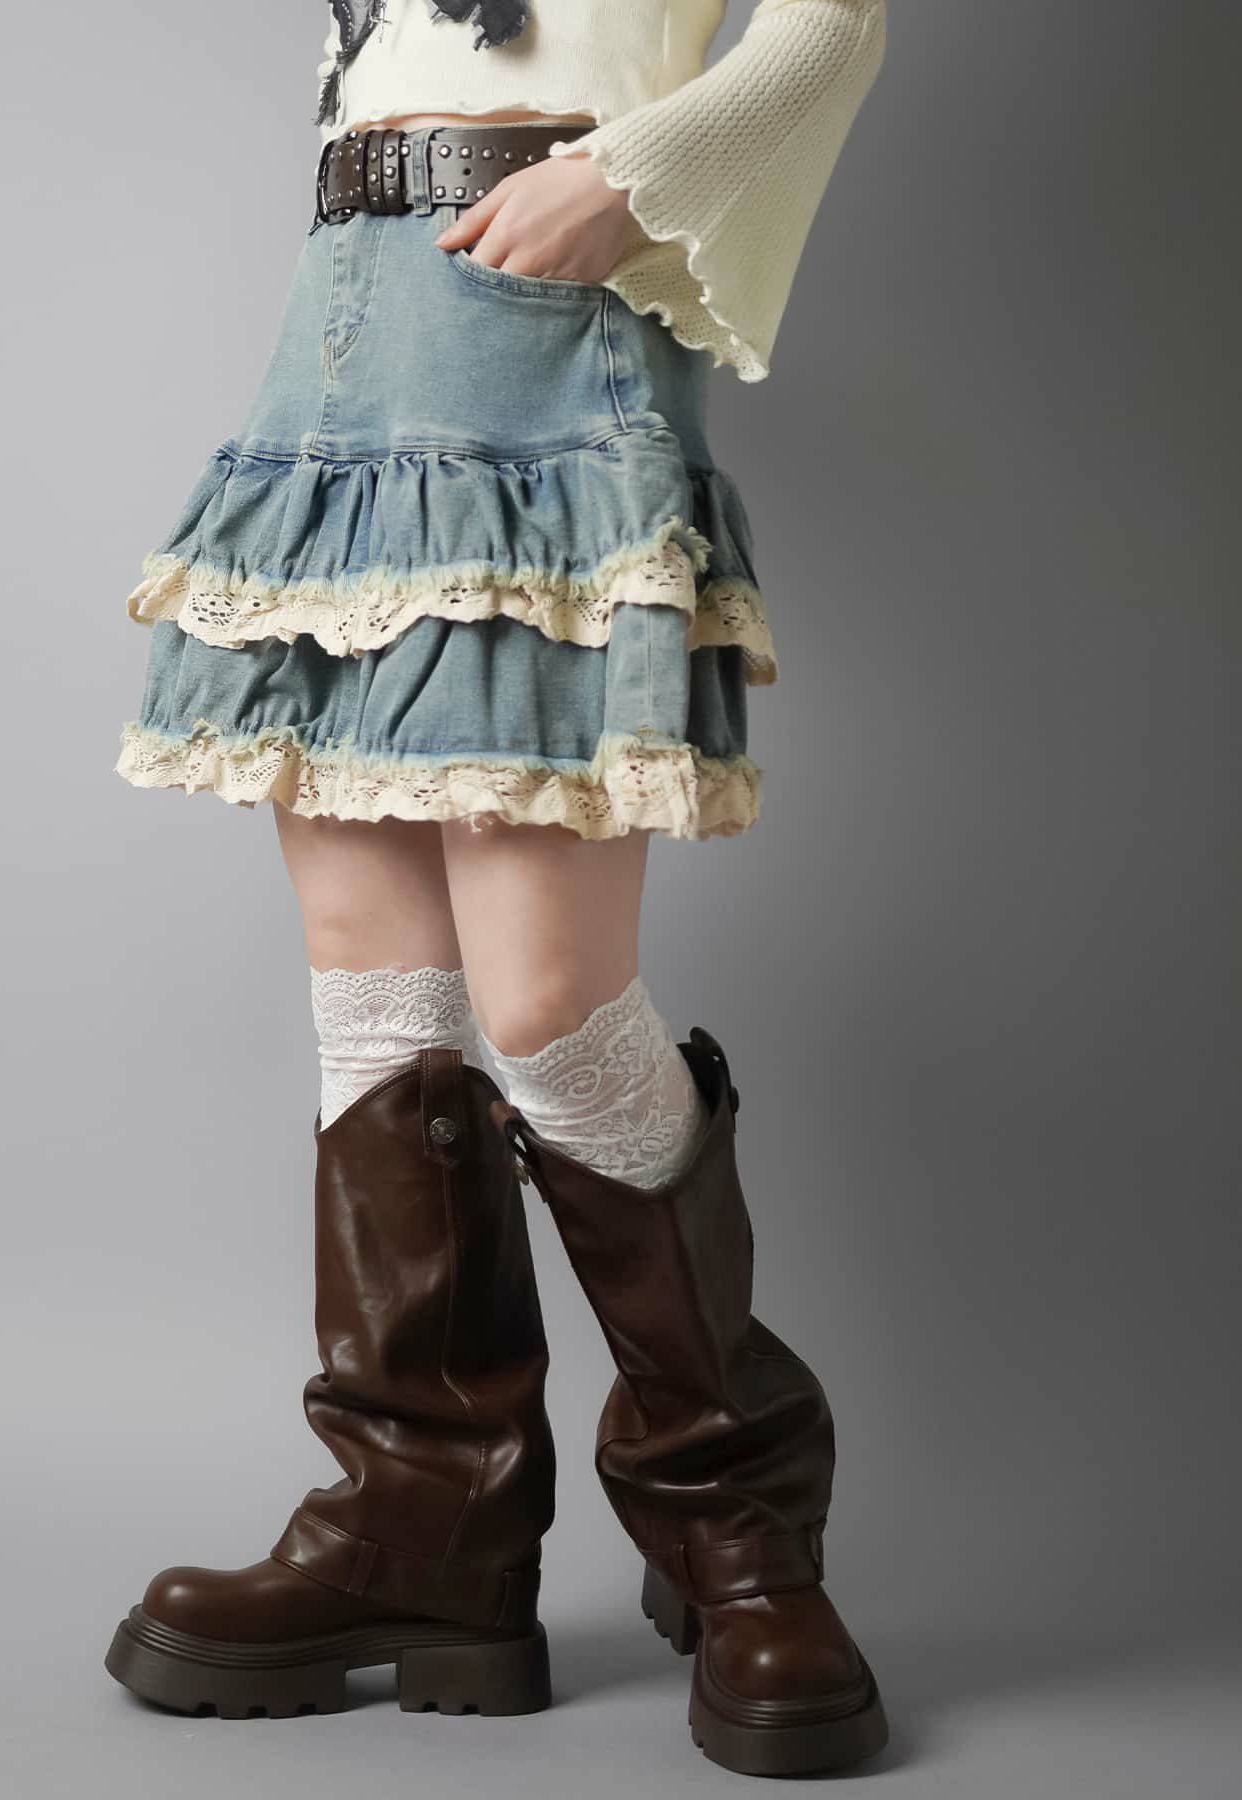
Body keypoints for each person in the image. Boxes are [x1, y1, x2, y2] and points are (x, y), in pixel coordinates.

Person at [105, 1, 890, 1778]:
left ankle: (739, 1516)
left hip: (547, 322)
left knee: (545, 1008)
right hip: (346, 325)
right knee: (382, 998)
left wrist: (633, 173)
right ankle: (422, 1523)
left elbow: (836, 22)